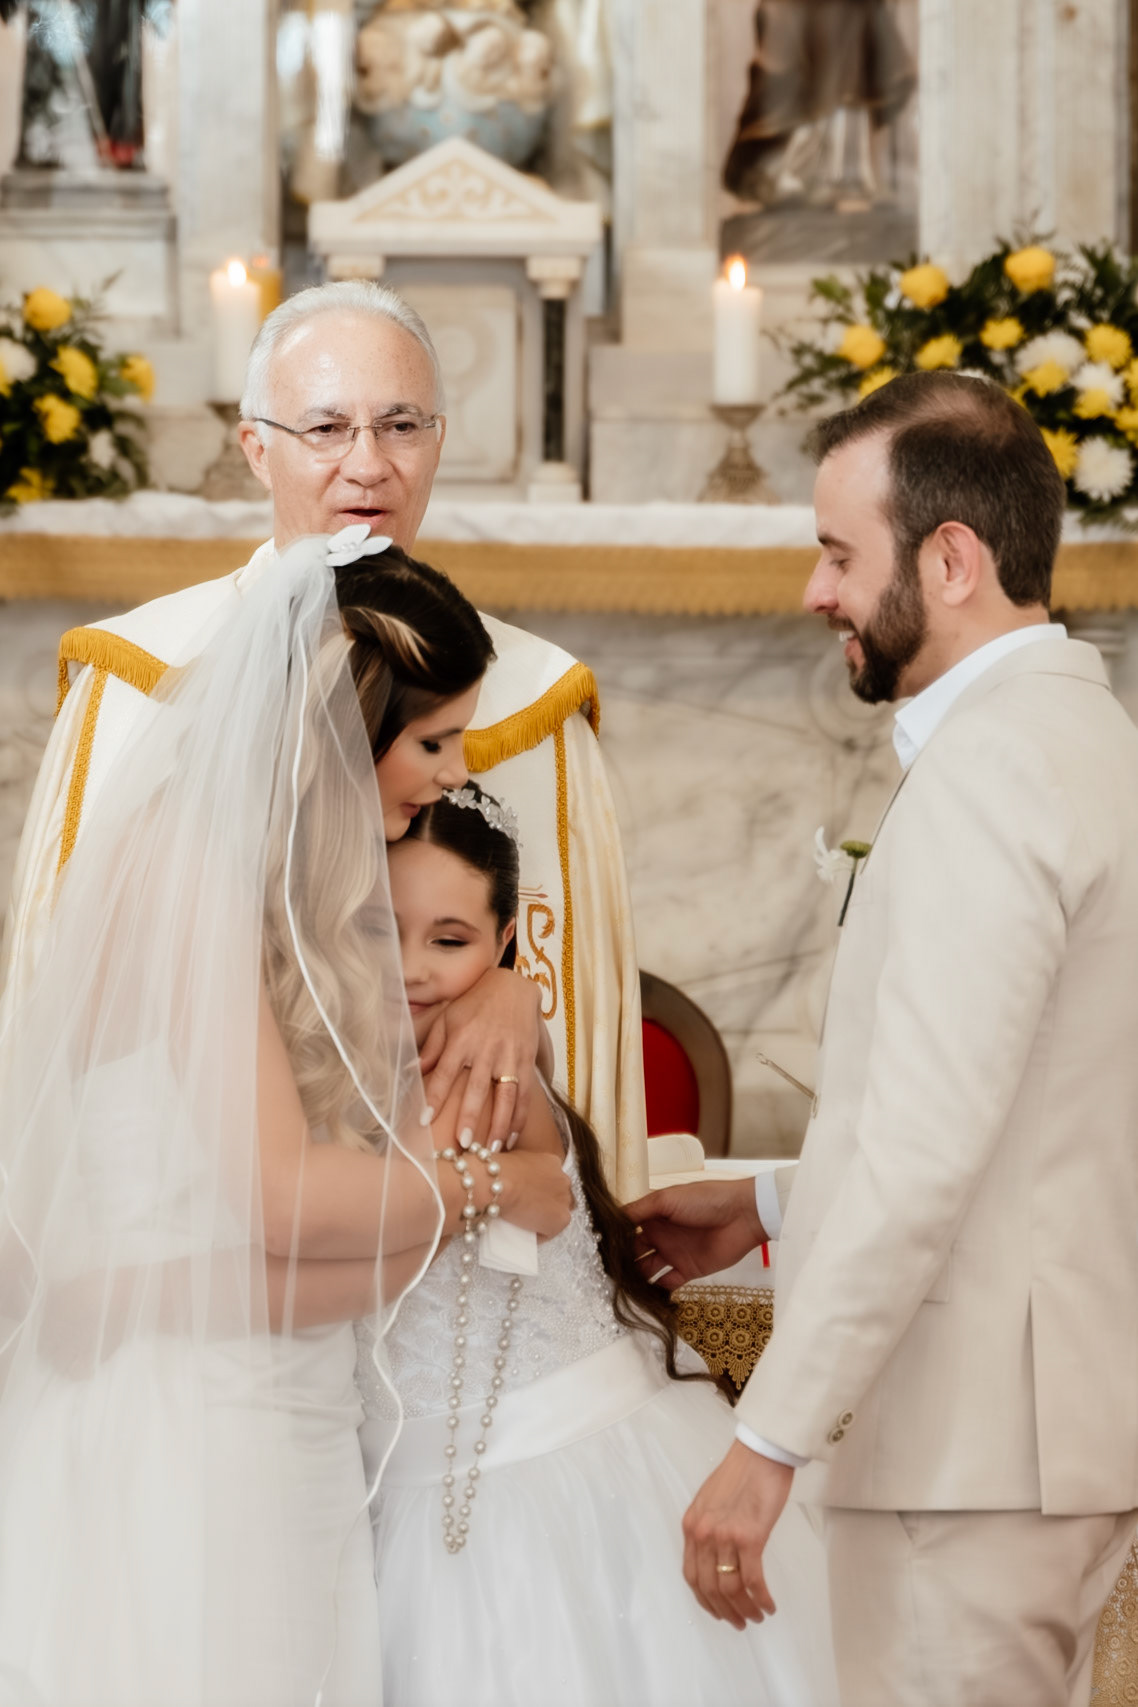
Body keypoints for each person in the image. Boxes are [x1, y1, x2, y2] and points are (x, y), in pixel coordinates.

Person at [628, 371, 1138, 1707]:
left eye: (839, 551)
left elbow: (920, 1150)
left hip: (961, 1451)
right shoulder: (1085, 734)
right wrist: (763, 1196)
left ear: (950, 559)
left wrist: (768, 1434)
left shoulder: (987, 775)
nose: (816, 589)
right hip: (1038, 1438)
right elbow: (1026, 1118)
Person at [0, 533, 572, 1705]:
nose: (451, 772)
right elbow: (287, 1198)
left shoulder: (313, 882)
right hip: (182, 1438)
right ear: (342, 723)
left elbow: (331, 1237)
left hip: (291, 1412)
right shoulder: (188, 869)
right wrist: (490, 1192)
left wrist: (510, 991)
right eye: (430, 739)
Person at [2, 280, 646, 1197]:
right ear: (256, 449)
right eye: (326, 428)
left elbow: (567, 999)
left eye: (401, 425)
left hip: (464, 1237)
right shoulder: (134, 681)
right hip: (218, 1208)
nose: (368, 464)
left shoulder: (533, 697)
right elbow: (69, 1000)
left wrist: (516, 993)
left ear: (439, 442)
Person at [354, 781, 838, 1707]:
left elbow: (370, 1209)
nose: (409, 968)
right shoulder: (360, 1053)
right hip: (402, 1482)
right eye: (380, 930)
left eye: (449, 941)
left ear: (503, 940)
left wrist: (513, 1004)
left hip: (542, 1488)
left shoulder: (480, 1073)